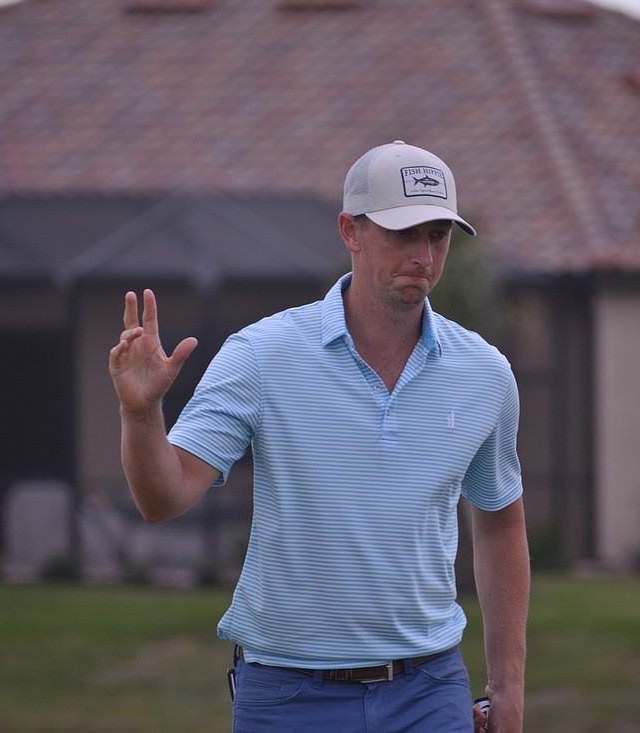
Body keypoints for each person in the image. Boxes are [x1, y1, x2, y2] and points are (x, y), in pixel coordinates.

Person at [109, 140, 529, 732]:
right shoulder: (262, 355)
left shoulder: (485, 374)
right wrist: (141, 414)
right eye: (403, 232)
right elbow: (163, 497)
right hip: (287, 694)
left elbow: (501, 521)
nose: (425, 255)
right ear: (349, 231)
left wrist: (506, 690)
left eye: (438, 235)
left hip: (430, 691)